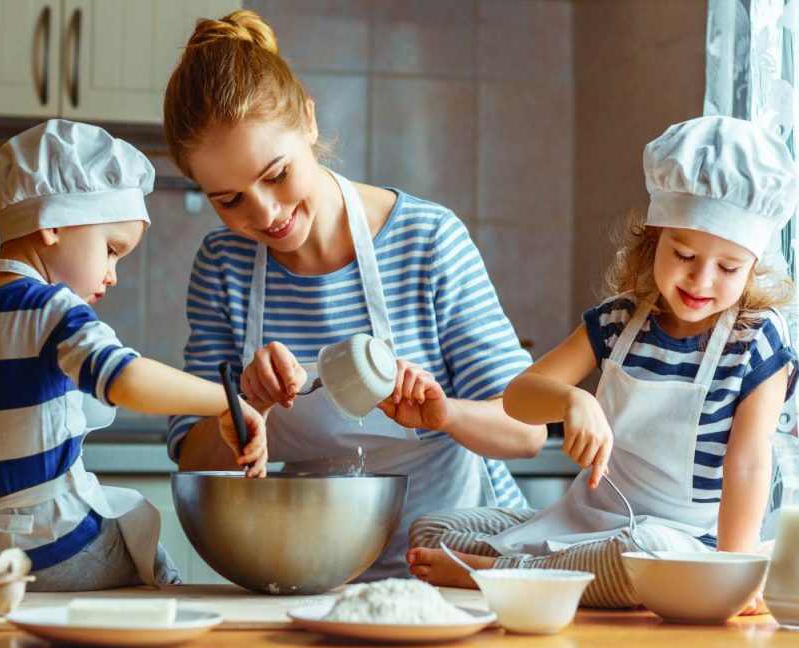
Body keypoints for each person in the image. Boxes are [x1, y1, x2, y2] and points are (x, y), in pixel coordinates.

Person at [161, 9, 546, 581]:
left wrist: (445, 414)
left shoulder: (428, 240)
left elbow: (528, 430)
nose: (264, 214)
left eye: (276, 174)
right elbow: (192, 455)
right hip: (309, 573)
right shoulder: (224, 265)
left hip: (457, 566)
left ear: (309, 122)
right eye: (229, 199)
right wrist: (244, 405)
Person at [407, 116, 799, 614]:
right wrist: (572, 399)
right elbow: (519, 395)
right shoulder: (618, 322)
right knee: (434, 529)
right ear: (652, 239)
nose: (701, 280)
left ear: (753, 267)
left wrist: (734, 571)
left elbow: (747, 461)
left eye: (728, 267)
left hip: (678, 543)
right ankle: (538, 570)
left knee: (641, 562)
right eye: (683, 254)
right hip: (591, 522)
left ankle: (500, 575)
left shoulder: (757, 343)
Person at [0, 119, 267, 591]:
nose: (112, 274)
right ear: (52, 224)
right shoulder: (54, 308)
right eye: (111, 249)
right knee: (143, 545)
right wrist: (226, 400)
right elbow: (124, 379)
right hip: (59, 548)